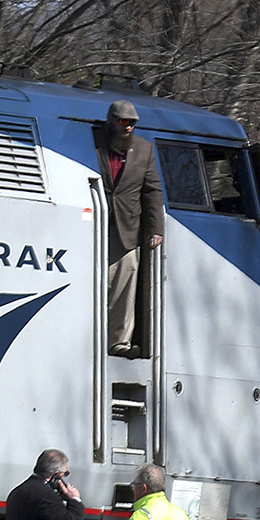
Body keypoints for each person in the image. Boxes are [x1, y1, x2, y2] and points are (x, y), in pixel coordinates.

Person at [96, 99, 165, 356]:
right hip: (94, 227)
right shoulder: (92, 143)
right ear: (112, 121)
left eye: (132, 123)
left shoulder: (145, 150)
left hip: (127, 230)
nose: (128, 128)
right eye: (124, 122)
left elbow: (152, 191)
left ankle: (118, 343)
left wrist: (155, 229)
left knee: (124, 287)